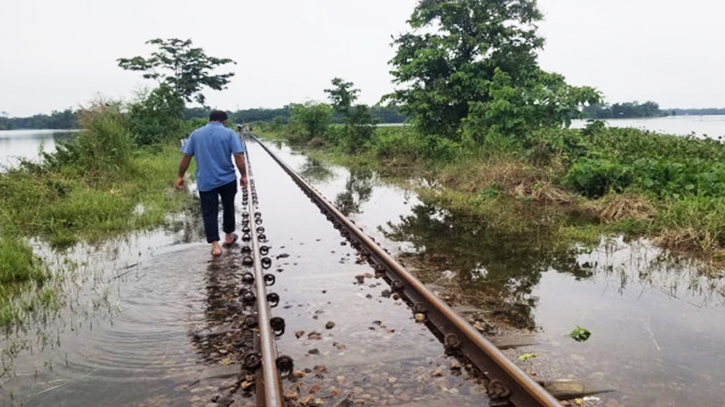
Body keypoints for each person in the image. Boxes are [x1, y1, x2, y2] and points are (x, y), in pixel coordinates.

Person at [176, 110, 249, 256]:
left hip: (205, 180)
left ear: (209, 119)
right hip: (227, 179)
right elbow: (238, 156)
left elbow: (186, 156)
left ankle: (215, 246)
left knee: (209, 211)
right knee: (228, 206)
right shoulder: (229, 133)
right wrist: (243, 175)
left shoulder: (196, 134)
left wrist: (180, 175)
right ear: (225, 121)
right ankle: (228, 236)